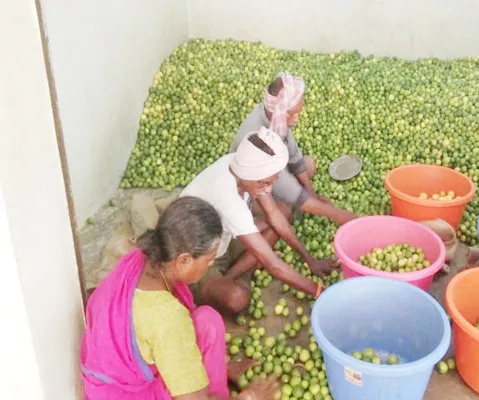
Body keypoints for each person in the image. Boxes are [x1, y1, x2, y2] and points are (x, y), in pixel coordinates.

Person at [80, 197, 279, 400]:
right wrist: (249, 398)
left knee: (208, 321)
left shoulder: (142, 259)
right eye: (209, 260)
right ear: (184, 260)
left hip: (110, 373)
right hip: (122, 394)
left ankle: (215, 380)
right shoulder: (167, 317)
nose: (211, 265)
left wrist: (221, 365)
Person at [180, 127, 328, 315]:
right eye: (265, 183)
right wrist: (319, 291)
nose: (268, 190)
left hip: (224, 239)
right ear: (254, 177)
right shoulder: (227, 196)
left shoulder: (243, 167)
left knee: (282, 213)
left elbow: (275, 216)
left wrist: (309, 259)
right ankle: (228, 279)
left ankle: (233, 274)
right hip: (200, 260)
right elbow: (273, 264)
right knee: (237, 298)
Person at [230, 71, 356, 226]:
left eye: (298, 112)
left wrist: (311, 194)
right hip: (250, 189)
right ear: (279, 111)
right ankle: (265, 219)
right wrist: (336, 214)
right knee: (283, 214)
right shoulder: (259, 137)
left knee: (308, 164)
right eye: (292, 113)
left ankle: (306, 203)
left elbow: (295, 156)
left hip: (271, 175)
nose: (297, 119)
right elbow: (284, 185)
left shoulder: (277, 119)